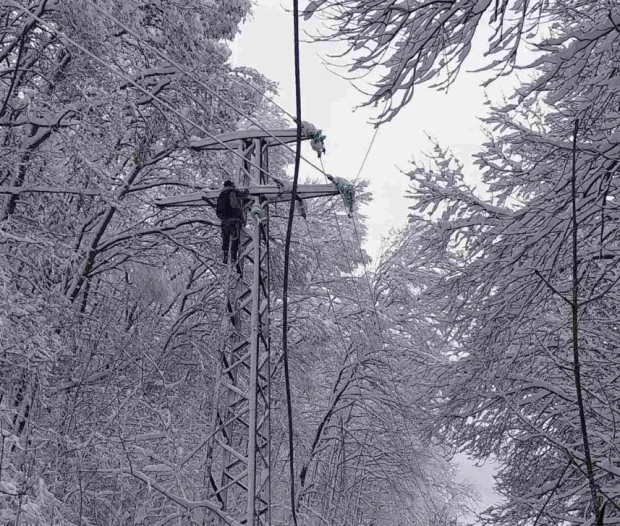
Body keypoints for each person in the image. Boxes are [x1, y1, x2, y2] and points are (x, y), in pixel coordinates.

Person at [216, 180, 248, 264]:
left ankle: (225, 254)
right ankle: (233, 256)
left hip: (224, 221)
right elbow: (243, 195)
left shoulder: (221, 195)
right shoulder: (233, 192)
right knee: (235, 239)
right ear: (231, 185)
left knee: (225, 239)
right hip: (234, 220)